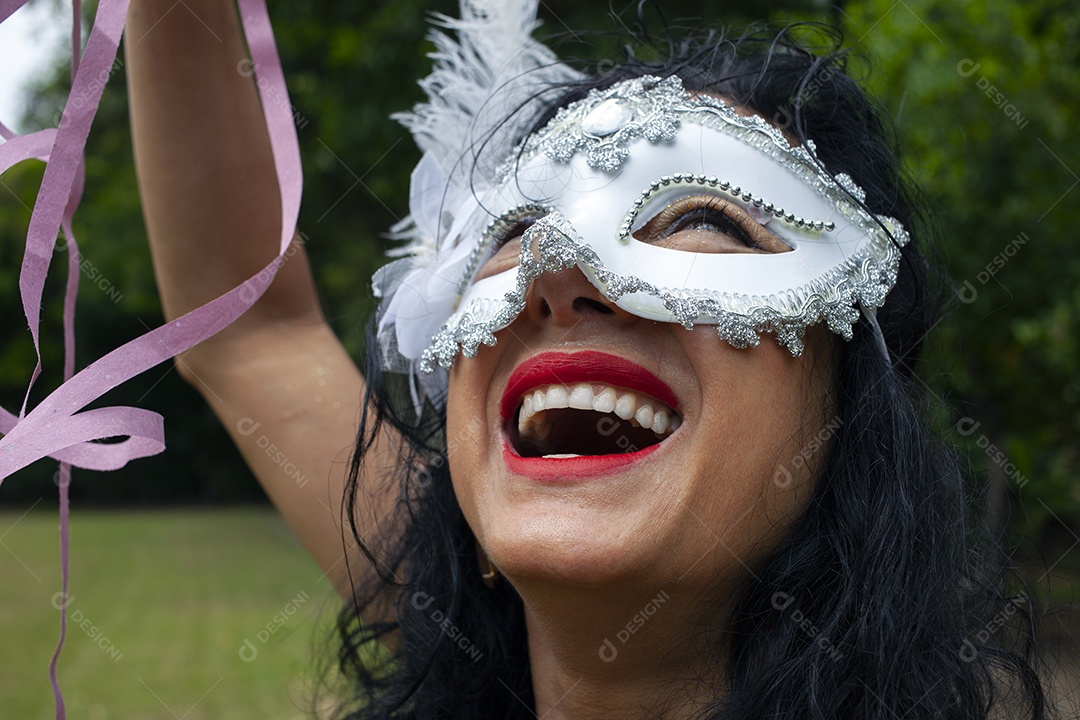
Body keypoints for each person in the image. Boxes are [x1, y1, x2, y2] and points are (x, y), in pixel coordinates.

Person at [126, 0, 1050, 717]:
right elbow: (250, 325)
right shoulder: (442, 613)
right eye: (517, 226)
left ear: (849, 407)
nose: (556, 269)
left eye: (701, 217)